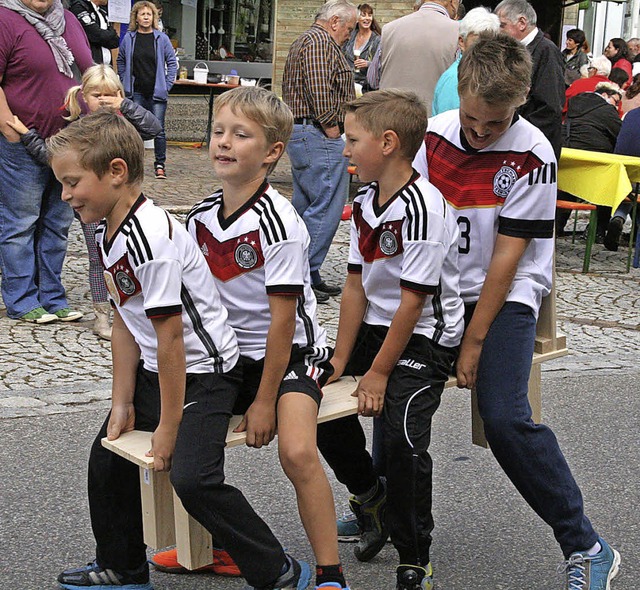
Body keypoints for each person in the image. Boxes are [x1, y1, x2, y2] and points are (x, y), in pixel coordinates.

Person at [49, 110, 312, 590]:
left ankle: (276, 569)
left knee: (193, 478)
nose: (65, 195)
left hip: (206, 374)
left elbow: (171, 341)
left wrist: (168, 426)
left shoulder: (150, 238)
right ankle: (124, 568)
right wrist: (122, 401)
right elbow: (128, 325)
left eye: (72, 183)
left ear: (116, 173)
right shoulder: (110, 229)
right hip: (164, 373)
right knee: (108, 457)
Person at [413, 32, 621, 590]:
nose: (480, 133)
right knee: (396, 402)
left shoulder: (533, 152)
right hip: (439, 291)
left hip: (503, 297)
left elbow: (509, 256)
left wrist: (474, 342)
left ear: (522, 99)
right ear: (462, 91)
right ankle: (387, 512)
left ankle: (586, 543)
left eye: (494, 124)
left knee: (504, 416)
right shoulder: (434, 133)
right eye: (473, 121)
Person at [173, 85, 348, 590]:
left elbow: (283, 321)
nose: (223, 143)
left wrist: (266, 401)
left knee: (295, 450)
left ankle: (330, 572)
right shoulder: (200, 216)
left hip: (292, 356)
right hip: (230, 358)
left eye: (240, 135)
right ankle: (217, 546)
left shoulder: (281, 222)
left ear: (272, 153)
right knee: (178, 450)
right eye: (218, 132)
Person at [320, 88, 464, 590]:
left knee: (403, 439)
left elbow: (413, 302)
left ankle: (414, 555)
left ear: (387, 143)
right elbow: (355, 285)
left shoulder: (424, 207)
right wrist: (339, 359)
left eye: (352, 140)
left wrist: (378, 373)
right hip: (377, 329)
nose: (344, 150)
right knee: (305, 396)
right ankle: (369, 496)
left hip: (424, 337)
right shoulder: (365, 201)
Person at [6, 64, 161, 340]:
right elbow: (50, 154)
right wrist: (26, 133)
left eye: (110, 94)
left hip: (127, 205)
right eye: (96, 94)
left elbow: (154, 127)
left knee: (136, 254)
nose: (103, 100)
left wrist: (124, 104)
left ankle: (140, 310)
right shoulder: (77, 127)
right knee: (97, 256)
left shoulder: (124, 121)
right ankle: (102, 315)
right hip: (92, 208)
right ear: (83, 96)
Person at [0, 0, 92, 324]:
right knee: (20, 224)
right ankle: (22, 300)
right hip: (22, 141)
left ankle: (52, 297)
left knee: (58, 223)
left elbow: (88, 72)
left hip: (70, 143)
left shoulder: (67, 19)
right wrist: (9, 129)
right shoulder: (5, 18)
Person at [282, 0, 358, 304]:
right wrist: (332, 128)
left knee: (305, 206)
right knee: (325, 206)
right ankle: (301, 275)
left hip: (306, 132)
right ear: (336, 21)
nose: (349, 36)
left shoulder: (308, 40)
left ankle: (305, 275)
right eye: (349, 29)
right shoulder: (318, 41)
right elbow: (318, 87)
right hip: (316, 132)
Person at [495, 0, 564, 160]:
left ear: (521, 23)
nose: (498, 32)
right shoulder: (518, 50)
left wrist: (514, 131)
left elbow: (549, 107)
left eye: (502, 25)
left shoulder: (546, 51)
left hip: (533, 149)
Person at [117, 0, 176, 180]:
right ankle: (135, 165)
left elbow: (172, 63)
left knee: (159, 130)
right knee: (135, 130)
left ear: (154, 17)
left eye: (149, 14)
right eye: (142, 14)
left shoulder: (162, 38)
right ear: (136, 17)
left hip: (156, 92)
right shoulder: (129, 38)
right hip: (136, 92)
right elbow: (121, 60)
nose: (145, 17)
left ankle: (160, 164)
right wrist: (124, 80)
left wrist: (167, 85)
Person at [559, 81, 622, 240]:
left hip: (569, 156)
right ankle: (597, 230)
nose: (617, 106)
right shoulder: (606, 110)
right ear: (605, 95)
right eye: (616, 101)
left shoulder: (576, 104)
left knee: (568, 188)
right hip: (597, 161)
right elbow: (619, 136)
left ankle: (557, 225)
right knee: (607, 185)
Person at [378, 0, 459, 117]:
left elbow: (373, 78)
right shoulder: (459, 32)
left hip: (388, 118)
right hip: (430, 124)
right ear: (452, 1)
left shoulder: (389, 28)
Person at [432, 7, 500, 116]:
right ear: (462, 42)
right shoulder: (455, 78)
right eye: (477, 42)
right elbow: (450, 124)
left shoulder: (489, 73)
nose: (484, 48)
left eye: (490, 42)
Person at [604, 105, 640, 251]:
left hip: (621, 171)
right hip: (636, 173)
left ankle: (619, 216)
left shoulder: (630, 114)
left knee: (629, 190)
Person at [342, 3, 381, 93]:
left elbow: (381, 64)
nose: (367, 18)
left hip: (366, 88)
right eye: (363, 15)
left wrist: (368, 64)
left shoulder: (377, 40)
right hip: (347, 86)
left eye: (370, 15)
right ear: (357, 19)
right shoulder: (350, 36)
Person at [69, 0, 119, 65]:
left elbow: (115, 42)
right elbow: (96, 35)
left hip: (106, 67)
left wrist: (106, 36)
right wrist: (111, 34)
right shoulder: (79, 7)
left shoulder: (102, 11)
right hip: (90, 66)